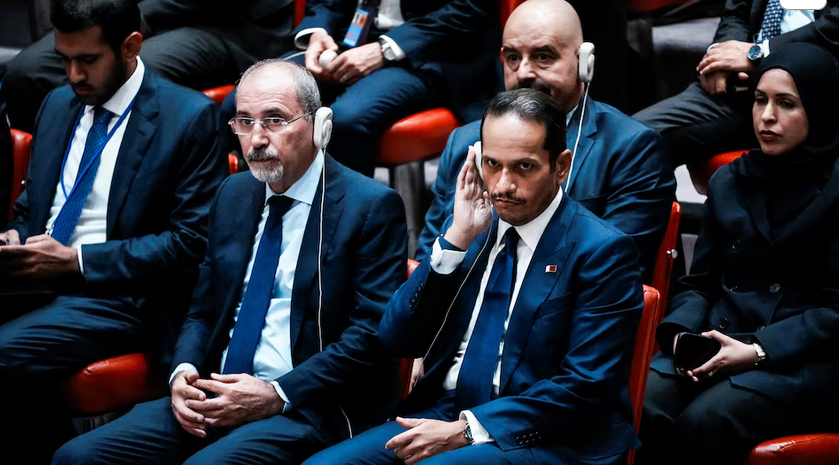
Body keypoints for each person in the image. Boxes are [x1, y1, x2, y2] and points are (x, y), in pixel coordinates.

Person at [53, 59, 407, 465]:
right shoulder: (233, 194)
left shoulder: (370, 206)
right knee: (77, 457)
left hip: (306, 405)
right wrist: (183, 371)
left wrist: (277, 394)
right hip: (214, 395)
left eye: (274, 120)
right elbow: (203, 306)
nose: (256, 139)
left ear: (319, 124)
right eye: (244, 121)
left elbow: (370, 335)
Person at [304, 88, 644, 465]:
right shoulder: (473, 229)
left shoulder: (602, 251)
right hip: (446, 410)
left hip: (545, 436)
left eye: (524, 167)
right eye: (493, 164)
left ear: (561, 166)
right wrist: (454, 241)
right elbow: (398, 338)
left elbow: (584, 388)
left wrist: (468, 429)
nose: (502, 186)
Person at [0, 0, 226, 459]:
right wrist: (16, 235)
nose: (74, 76)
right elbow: (33, 205)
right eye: (64, 60)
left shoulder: (189, 116)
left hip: (119, 293)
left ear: (130, 46)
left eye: (87, 61)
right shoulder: (58, 103)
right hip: (36, 274)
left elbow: (190, 246)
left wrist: (77, 260)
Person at [638, 43, 839, 465]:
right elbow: (699, 282)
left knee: (706, 422)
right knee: (642, 402)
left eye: (787, 104)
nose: (767, 116)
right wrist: (680, 335)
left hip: (802, 357)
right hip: (718, 339)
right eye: (761, 100)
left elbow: (835, 310)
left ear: (820, 110)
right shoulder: (731, 179)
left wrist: (758, 350)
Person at [417, 0, 673, 283]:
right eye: (513, 57)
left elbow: (612, 277)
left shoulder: (631, 149)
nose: (524, 72)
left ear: (584, 63)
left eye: (543, 56)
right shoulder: (464, 141)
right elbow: (426, 263)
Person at [220, 0, 502, 177]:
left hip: (430, 51)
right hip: (351, 39)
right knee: (241, 101)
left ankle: (350, 233)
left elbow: (471, 8)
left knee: (346, 121)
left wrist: (386, 49)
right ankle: (265, 211)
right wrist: (318, 31)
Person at [1, 0, 295, 133]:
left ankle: (120, 199)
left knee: (127, 73)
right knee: (28, 71)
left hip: (226, 24)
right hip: (124, 10)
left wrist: (123, 15)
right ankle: (47, 188)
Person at [634, 0, 839, 168]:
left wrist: (760, 53)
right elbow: (736, 12)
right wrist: (720, 57)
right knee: (630, 141)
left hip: (816, 86)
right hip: (742, 85)